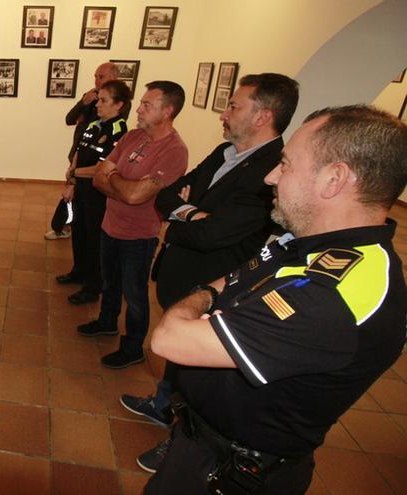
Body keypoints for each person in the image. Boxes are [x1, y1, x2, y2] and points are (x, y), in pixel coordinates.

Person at [146, 105, 407, 495]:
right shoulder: (307, 245)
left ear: (334, 179)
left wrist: (197, 302)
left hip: (234, 474)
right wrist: (209, 298)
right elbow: (230, 282)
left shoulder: (335, 293)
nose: (270, 176)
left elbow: (169, 340)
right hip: (202, 445)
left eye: (285, 165)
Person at [118, 74, 301, 465]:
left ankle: (180, 441)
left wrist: (186, 215)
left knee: (199, 372)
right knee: (179, 360)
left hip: (212, 285)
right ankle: (162, 404)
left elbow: (212, 235)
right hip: (180, 272)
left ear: (261, 116)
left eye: (234, 106)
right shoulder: (223, 153)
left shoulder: (269, 171)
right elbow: (167, 196)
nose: (224, 112)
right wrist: (191, 212)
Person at [83, 81, 188, 369]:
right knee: (110, 281)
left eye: (146, 105)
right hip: (110, 225)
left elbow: (134, 196)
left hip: (139, 236)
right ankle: (106, 322)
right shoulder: (133, 137)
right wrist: (122, 183)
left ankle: (132, 348)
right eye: (141, 103)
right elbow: (98, 176)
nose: (138, 109)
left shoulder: (174, 151)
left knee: (136, 295)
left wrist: (115, 179)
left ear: (167, 111)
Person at [60, 80, 132, 305]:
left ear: (119, 105)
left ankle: (93, 286)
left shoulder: (120, 131)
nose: (97, 104)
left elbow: (105, 168)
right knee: (79, 233)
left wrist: (76, 172)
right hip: (81, 188)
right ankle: (79, 271)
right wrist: (71, 180)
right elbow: (79, 153)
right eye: (98, 99)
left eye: (103, 101)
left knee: (94, 241)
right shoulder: (94, 125)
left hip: (99, 195)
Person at [49, 63, 117, 243]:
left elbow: (105, 128)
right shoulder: (90, 96)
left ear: (113, 77)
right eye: (95, 76)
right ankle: (64, 226)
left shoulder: (118, 101)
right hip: (78, 153)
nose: (97, 80)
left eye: (101, 76)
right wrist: (83, 102)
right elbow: (69, 119)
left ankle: (64, 226)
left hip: (95, 159)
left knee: (77, 196)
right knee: (70, 193)